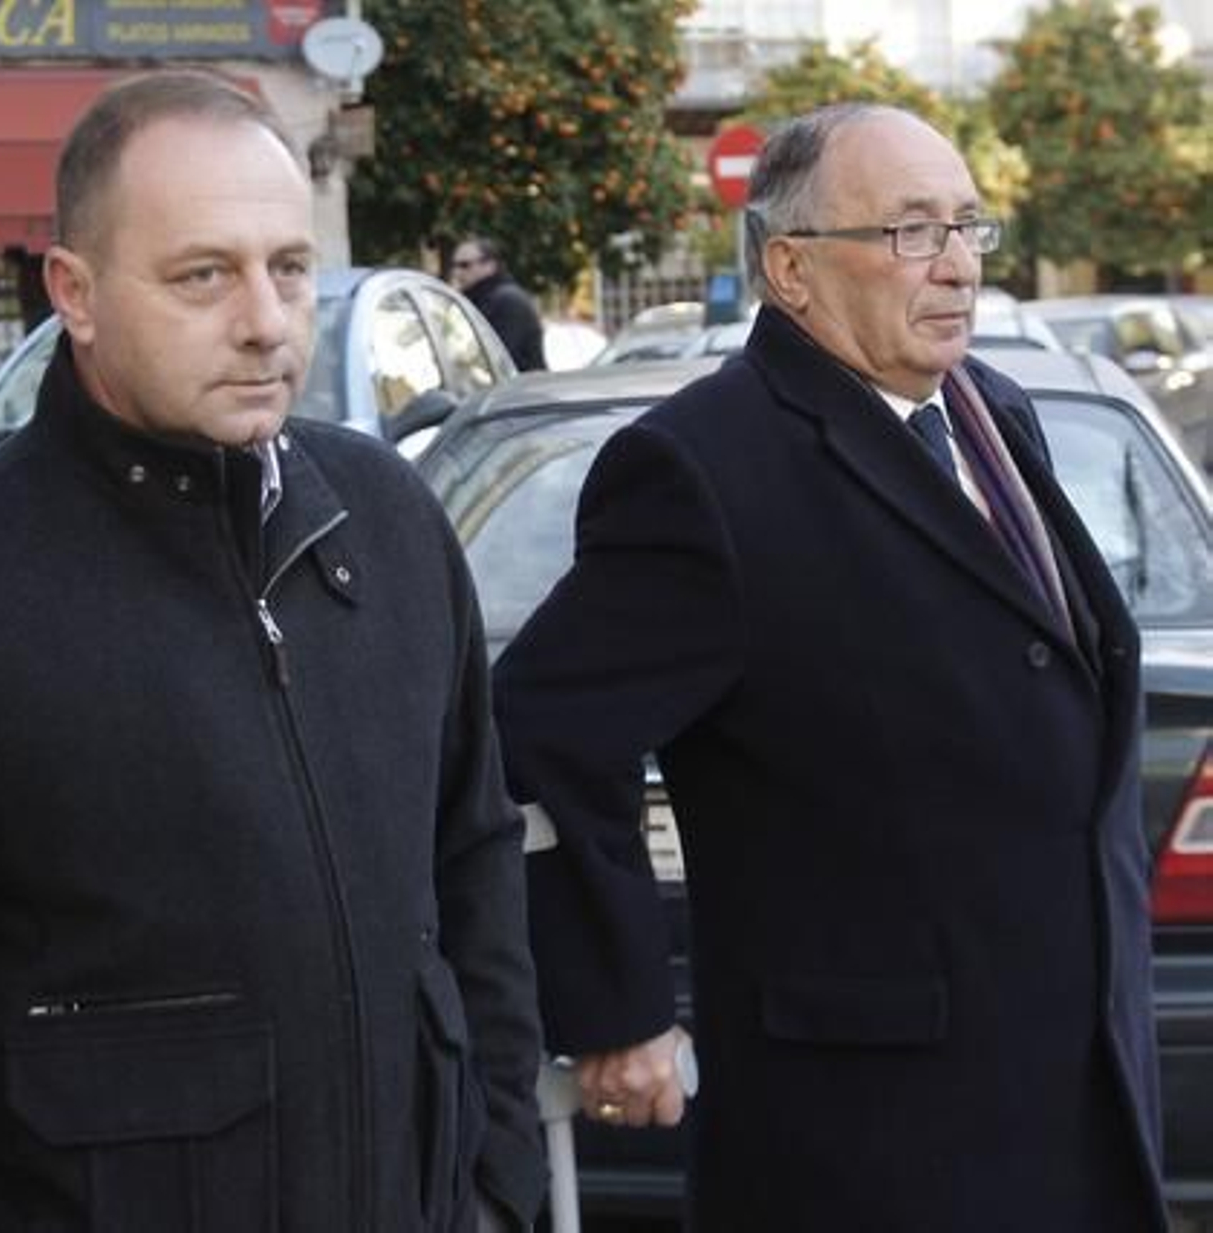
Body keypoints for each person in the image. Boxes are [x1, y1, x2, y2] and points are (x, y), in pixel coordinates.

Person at [0, 69, 545, 1232]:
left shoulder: (387, 521)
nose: (265, 321)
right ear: (73, 293)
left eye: (287, 267)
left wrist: (499, 1190)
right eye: (202, 276)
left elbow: (476, 868)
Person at [492, 103, 1169, 1232]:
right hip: (873, 1134)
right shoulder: (700, 469)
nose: (956, 265)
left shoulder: (990, 411)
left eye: (965, 225)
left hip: (1075, 1084)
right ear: (791, 269)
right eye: (910, 231)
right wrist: (617, 1008)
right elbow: (539, 734)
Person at [450, 236, 546, 371]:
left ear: (489, 266)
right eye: (454, 266)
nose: (457, 272)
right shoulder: (480, 299)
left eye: (464, 265)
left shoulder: (507, 301)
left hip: (521, 389)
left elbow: (497, 360)